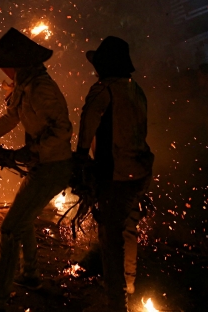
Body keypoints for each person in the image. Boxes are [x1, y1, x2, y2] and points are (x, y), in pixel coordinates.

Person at [0, 28, 73, 312]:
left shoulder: (41, 87)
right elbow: (9, 119)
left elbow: (63, 130)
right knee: (22, 221)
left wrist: (32, 150)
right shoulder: (25, 86)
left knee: (11, 228)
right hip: (41, 165)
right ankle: (31, 276)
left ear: (17, 63)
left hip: (53, 166)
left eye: (4, 64)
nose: (2, 70)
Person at [77, 36, 154, 312]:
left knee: (111, 241)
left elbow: (86, 129)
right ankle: (129, 284)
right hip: (141, 171)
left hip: (116, 176)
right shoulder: (137, 90)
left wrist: (79, 162)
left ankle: (116, 303)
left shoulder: (102, 90)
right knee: (129, 230)